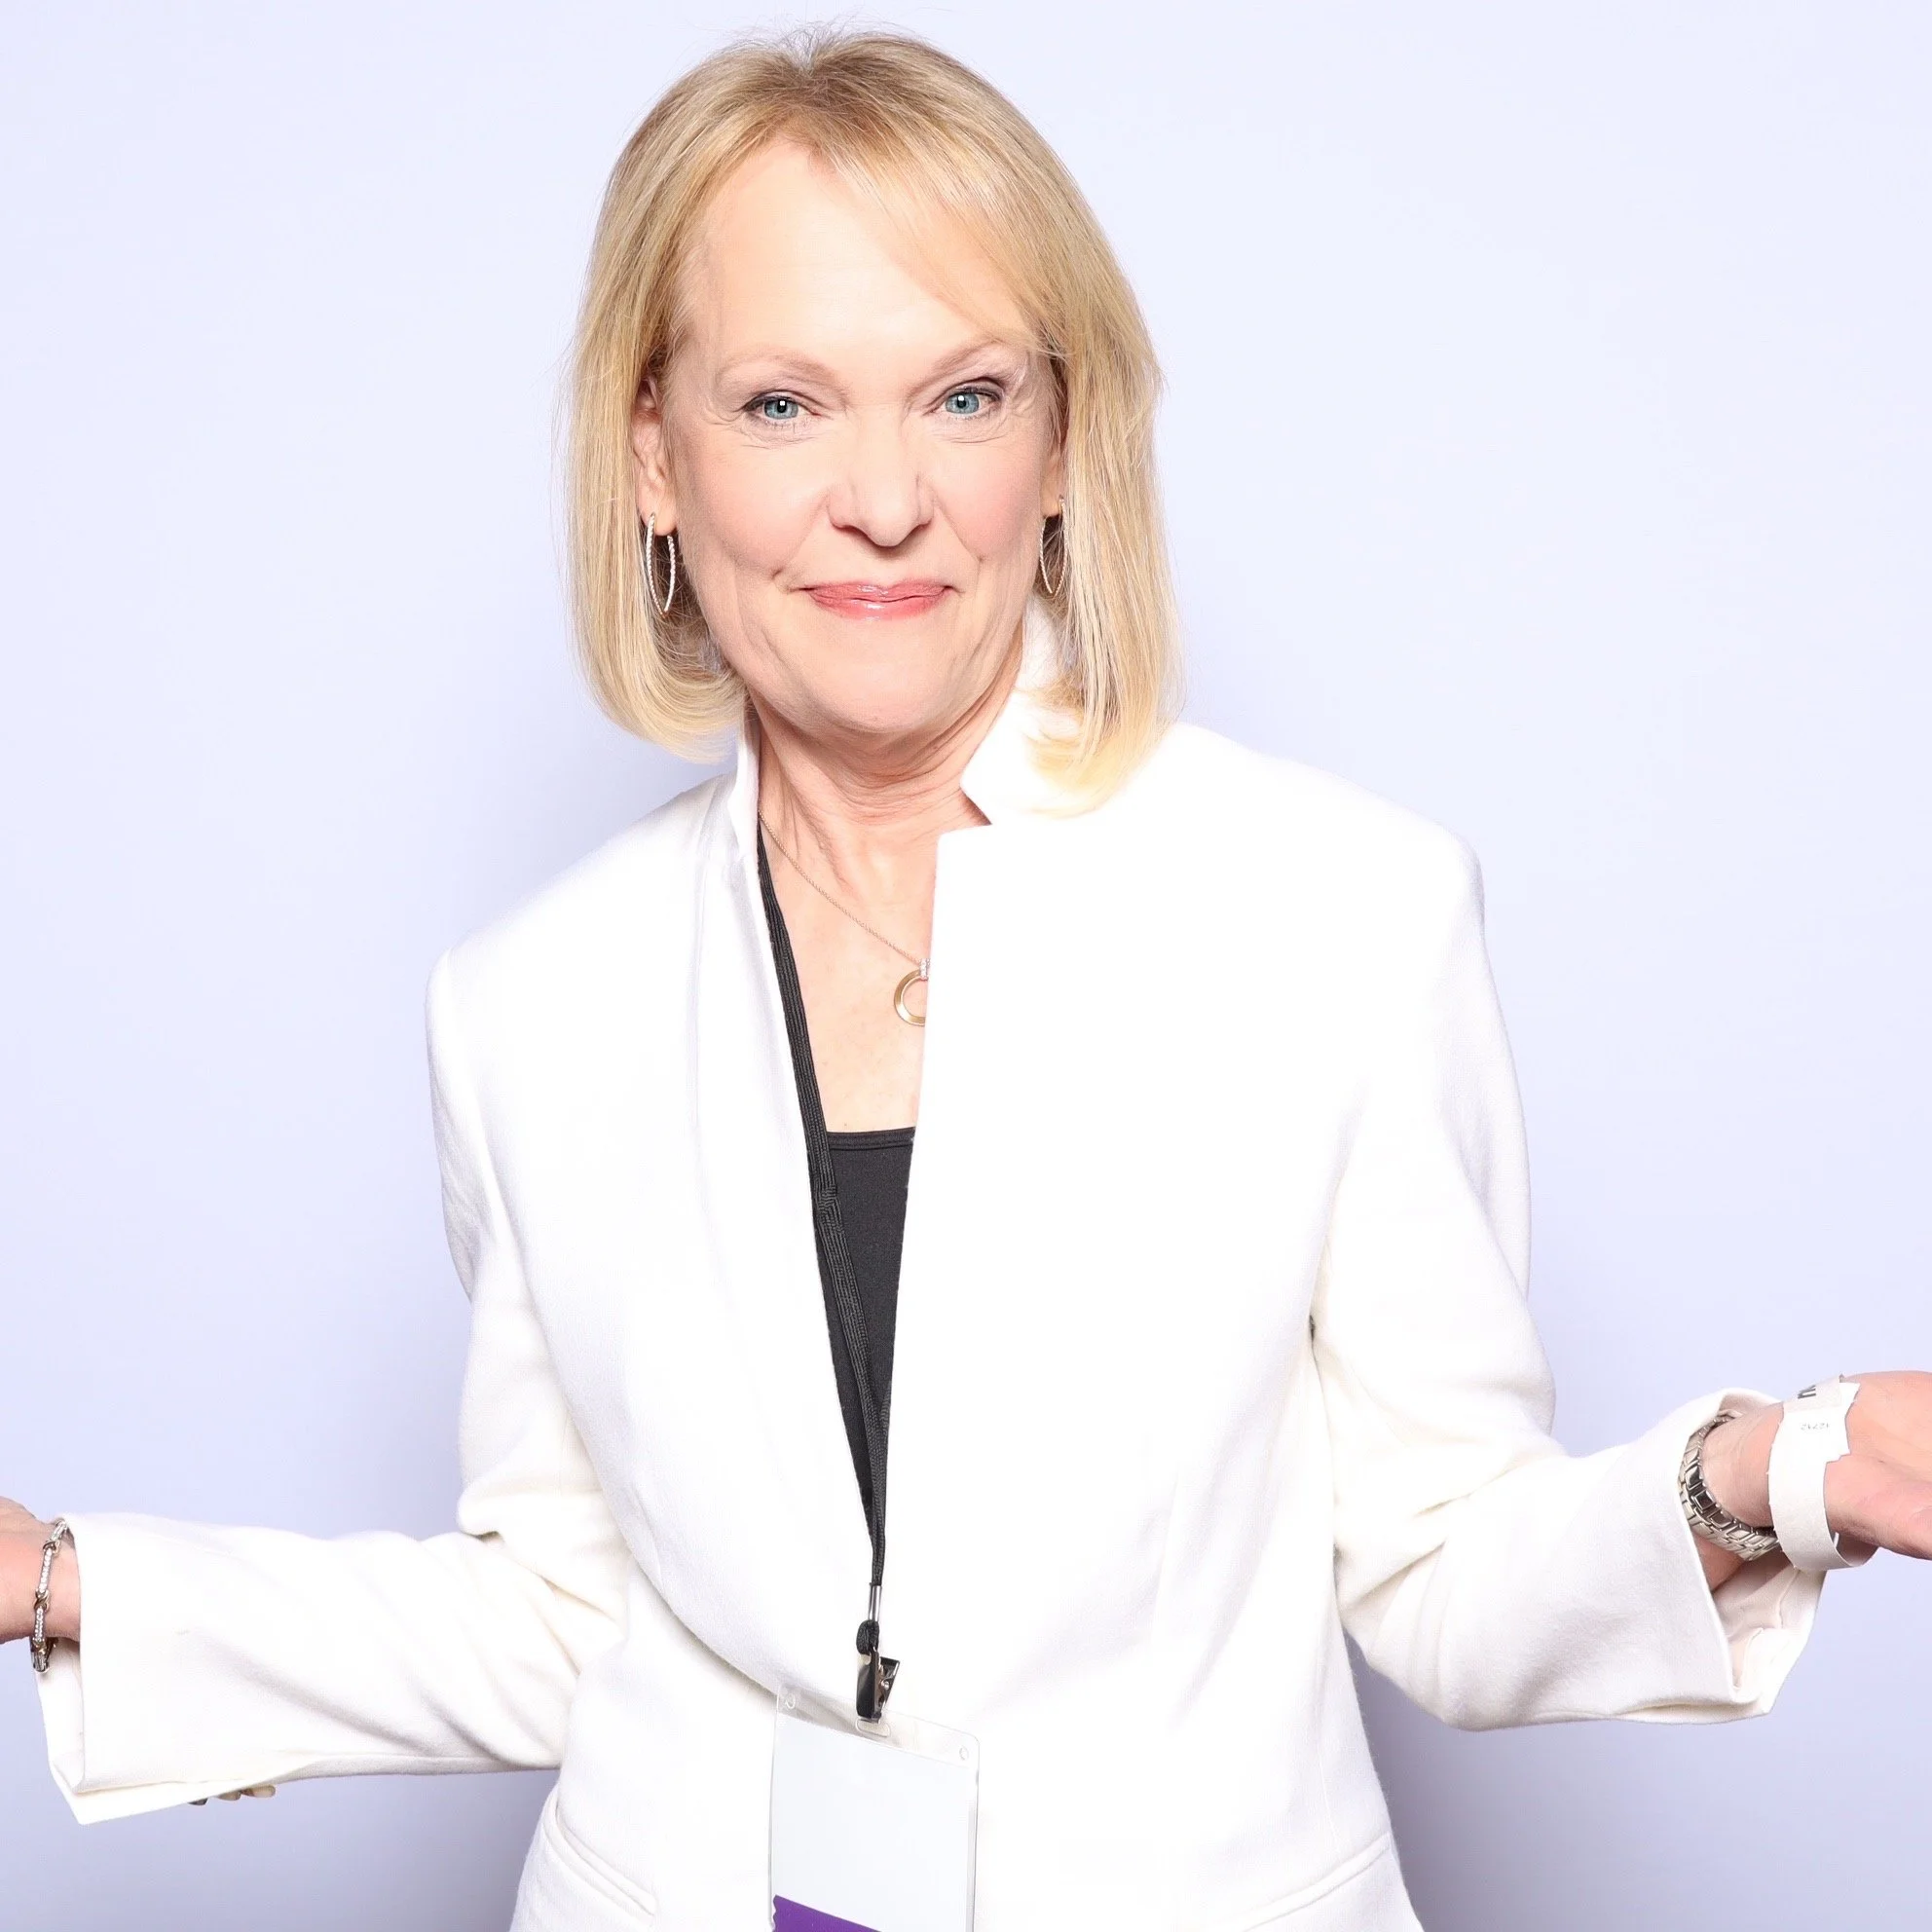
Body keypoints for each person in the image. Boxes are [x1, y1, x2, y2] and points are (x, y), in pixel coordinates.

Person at [4, 28, 1930, 1932]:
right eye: (780, 404)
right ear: (650, 456)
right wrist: (74, 1583)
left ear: (1063, 441)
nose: (880, 498)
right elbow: (566, 1608)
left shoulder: (1338, 906)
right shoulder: (525, 999)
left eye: (960, 394)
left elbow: (1443, 1556)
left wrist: (1758, 1473)